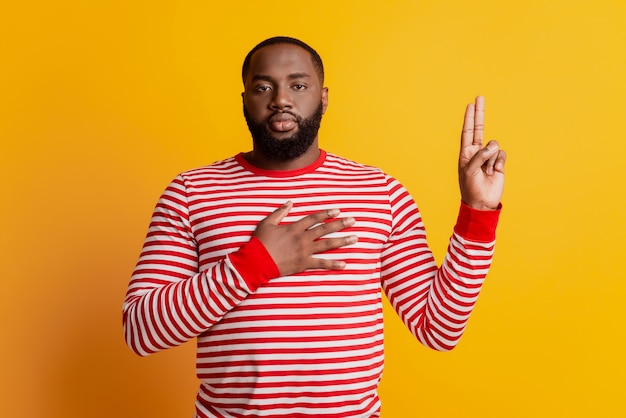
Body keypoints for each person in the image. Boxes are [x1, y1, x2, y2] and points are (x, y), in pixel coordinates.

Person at [123, 36, 506, 418]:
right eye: (263, 87)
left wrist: (478, 212)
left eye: (298, 85)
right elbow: (141, 331)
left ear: (323, 98)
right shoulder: (192, 192)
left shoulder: (380, 192)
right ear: (244, 101)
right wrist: (254, 263)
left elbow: (437, 328)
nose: (281, 99)